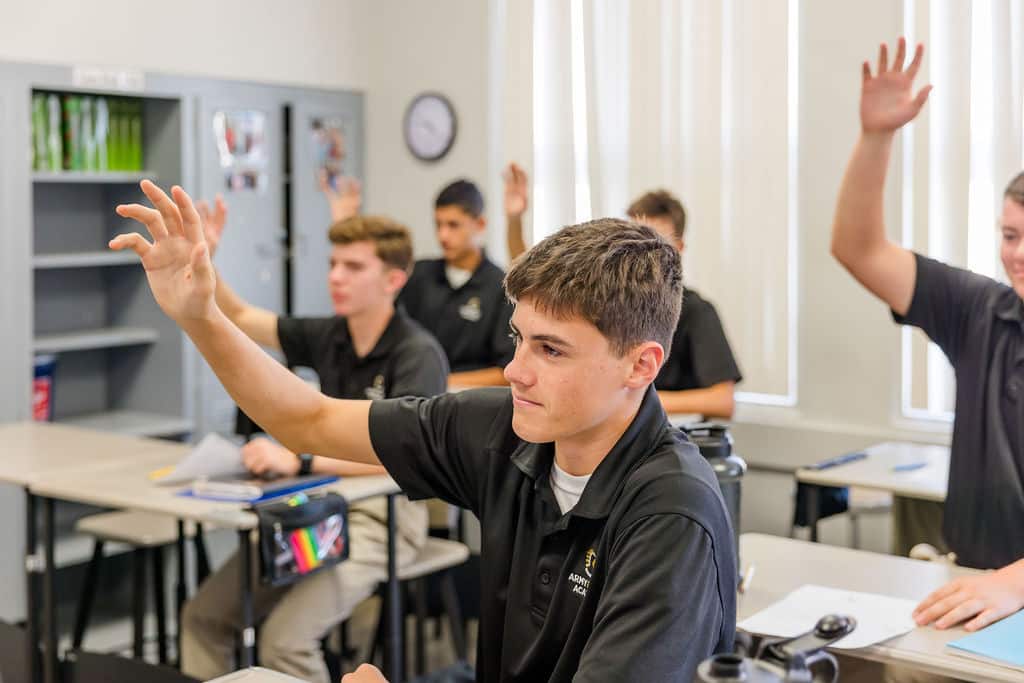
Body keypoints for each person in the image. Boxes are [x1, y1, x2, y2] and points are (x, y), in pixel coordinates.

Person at [110, 182, 737, 682]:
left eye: (551, 350)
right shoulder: (506, 429)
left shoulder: (671, 517)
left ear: (641, 365)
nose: (516, 370)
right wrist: (201, 317)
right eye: (520, 339)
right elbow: (310, 418)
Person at [178, 203, 448, 683]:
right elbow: (238, 315)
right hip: (317, 512)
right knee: (205, 618)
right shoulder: (330, 334)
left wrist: (300, 460)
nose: (336, 277)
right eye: (332, 264)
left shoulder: (417, 353)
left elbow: (411, 458)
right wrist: (205, 259)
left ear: (393, 280)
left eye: (354, 267)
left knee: (284, 641)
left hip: (381, 519)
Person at [831, 37, 1024, 633]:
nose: (1016, 254)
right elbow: (857, 249)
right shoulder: (980, 311)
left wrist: (1013, 582)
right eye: (1010, 234)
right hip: (969, 586)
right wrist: (876, 139)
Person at [504, 166, 742, 418]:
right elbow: (539, 285)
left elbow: (722, 401)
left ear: (678, 248)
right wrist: (514, 221)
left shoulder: (697, 312)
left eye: (654, 242)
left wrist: (630, 399)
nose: (641, 253)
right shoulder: (603, 299)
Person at [398, 179, 515, 387]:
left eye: (453, 225)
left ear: (480, 224)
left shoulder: (501, 287)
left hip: (470, 404)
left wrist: (440, 382)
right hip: (415, 396)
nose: (443, 235)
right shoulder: (417, 274)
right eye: (438, 225)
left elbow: (506, 372)